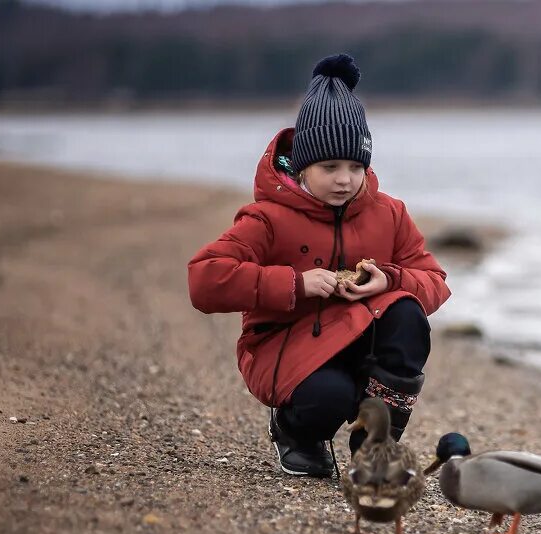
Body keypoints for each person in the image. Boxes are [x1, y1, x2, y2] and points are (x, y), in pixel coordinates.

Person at [188, 54, 450, 477]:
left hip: (358, 337)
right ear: (302, 165)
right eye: (329, 167)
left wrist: (390, 278)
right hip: (285, 345)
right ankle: (296, 432)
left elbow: (435, 280)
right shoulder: (267, 217)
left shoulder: (391, 213)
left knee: (405, 311)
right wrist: (295, 283)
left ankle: (374, 449)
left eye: (355, 166)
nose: (344, 180)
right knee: (329, 397)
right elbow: (204, 280)